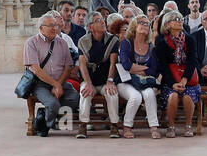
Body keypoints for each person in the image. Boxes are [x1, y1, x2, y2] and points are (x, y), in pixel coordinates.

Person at [23, 11, 79, 136]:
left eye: (55, 25)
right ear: (41, 28)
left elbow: (68, 66)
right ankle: (43, 125)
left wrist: (58, 84)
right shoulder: (31, 43)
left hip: (60, 81)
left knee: (75, 99)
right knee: (53, 104)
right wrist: (55, 85)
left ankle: (44, 114)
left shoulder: (62, 42)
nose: (54, 28)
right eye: (51, 26)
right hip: (40, 83)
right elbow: (36, 70)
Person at [155, 9, 200, 137]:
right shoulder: (161, 41)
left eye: (180, 19)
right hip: (170, 79)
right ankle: (171, 126)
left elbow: (192, 61)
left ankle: (188, 125)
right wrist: (173, 83)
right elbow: (162, 65)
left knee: (187, 96)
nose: (180, 22)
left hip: (188, 78)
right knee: (173, 96)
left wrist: (184, 80)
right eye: (176, 20)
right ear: (168, 24)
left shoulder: (190, 39)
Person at [76, 11, 120, 139]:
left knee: (112, 93)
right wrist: (88, 84)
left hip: (106, 79)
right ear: (90, 27)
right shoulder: (83, 41)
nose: (102, 22)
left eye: (102, 19)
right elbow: (82, 65)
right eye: (98, 20)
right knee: (85, 91)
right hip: (90, 79)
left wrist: (110, 81)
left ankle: (114, 125)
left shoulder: (113, 39)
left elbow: (113, 63)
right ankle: (83, 125)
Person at [116, 15, 161, 139]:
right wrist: (144, 68)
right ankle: (127, 127)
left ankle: (153, 127)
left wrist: (136, 69)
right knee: (135, 97)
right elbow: (126, 65)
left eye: (147, 23)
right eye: (141, 22)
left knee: (149, 94)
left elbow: (153, 70)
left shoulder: (151, 47)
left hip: (143, 82)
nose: (145, 25)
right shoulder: (126, 43)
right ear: (134, 26)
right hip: (125, 81)